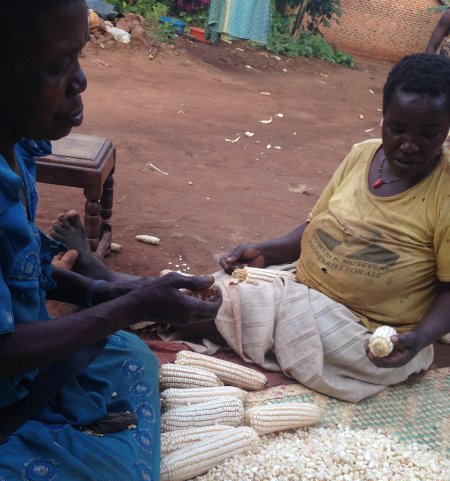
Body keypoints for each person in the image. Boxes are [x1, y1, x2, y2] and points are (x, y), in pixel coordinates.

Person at [53, 54, 450, 404]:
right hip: (301, 285)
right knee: (218, 287)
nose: (410, 144)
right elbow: (316, 226)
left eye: (428, 133)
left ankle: (113, 289)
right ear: (383, 117)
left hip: (366, 328)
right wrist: (268, 250)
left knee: (230, 307)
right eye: (398, 128)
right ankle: (118, 287)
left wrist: (421, 338)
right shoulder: (363, 155)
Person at [0, 0, 221, 481]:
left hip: (22, 374)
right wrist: (130, 304)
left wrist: (104, 289)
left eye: (79, 56)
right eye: (57, 67)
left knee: (130, 354)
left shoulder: (18, 146)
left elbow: (23, 271)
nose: (81, 80)